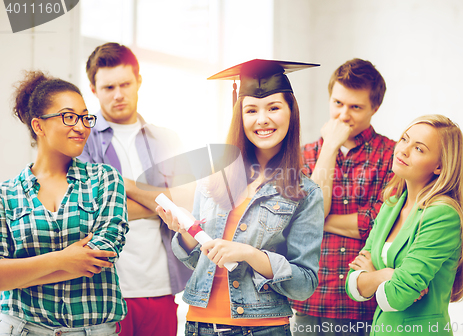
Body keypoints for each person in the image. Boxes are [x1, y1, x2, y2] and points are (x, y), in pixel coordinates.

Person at [156, 59, 325, 336]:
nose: (262, 119)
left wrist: (250, 254)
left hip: (261, 329)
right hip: (199, 326)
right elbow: (199, 260)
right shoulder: (214, 178)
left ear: (291, 113)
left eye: (273, 108)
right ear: (240, 116)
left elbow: (304, 284)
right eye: (251, 110)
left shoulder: (306, 193)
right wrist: (185, 232)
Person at [0, 71, 128, 335]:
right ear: (39, 126)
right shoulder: (6, 194)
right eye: (69, 117)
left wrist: (19, 274)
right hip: (21, 328)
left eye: (85, 117)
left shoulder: (105, 179)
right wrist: (63, 259)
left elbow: (100, 257)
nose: (81, 127)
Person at [78, 42, 193, 336]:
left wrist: (124, 185)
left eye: (125, 84)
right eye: (108, 87)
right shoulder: (81, 141)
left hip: (161, 286)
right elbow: (89, 212)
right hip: (105, 291)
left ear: (139, 81)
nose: (118, 94)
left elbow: (188, 201)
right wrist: (163, 201)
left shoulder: (167, 138)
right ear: (93, 89)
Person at [290, 58, 396, 336]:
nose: (343, 115)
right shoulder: (305, 155)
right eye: (337, 103)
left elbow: (377, 224)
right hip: (309, 302)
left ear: (375, 107)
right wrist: (330, 149)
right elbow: (301, 222)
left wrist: (315, 220)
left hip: (364, 304)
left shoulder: (394, 156)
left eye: (355, 107)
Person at [345, 114, 463, 335]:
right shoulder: (391, 205)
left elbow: (398, 296)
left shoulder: (442, 214)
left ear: (439, 166)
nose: (403, 149)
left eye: (419, 148)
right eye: (404, 139)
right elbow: (352, 284)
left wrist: (373, 276)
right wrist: (388, 275)